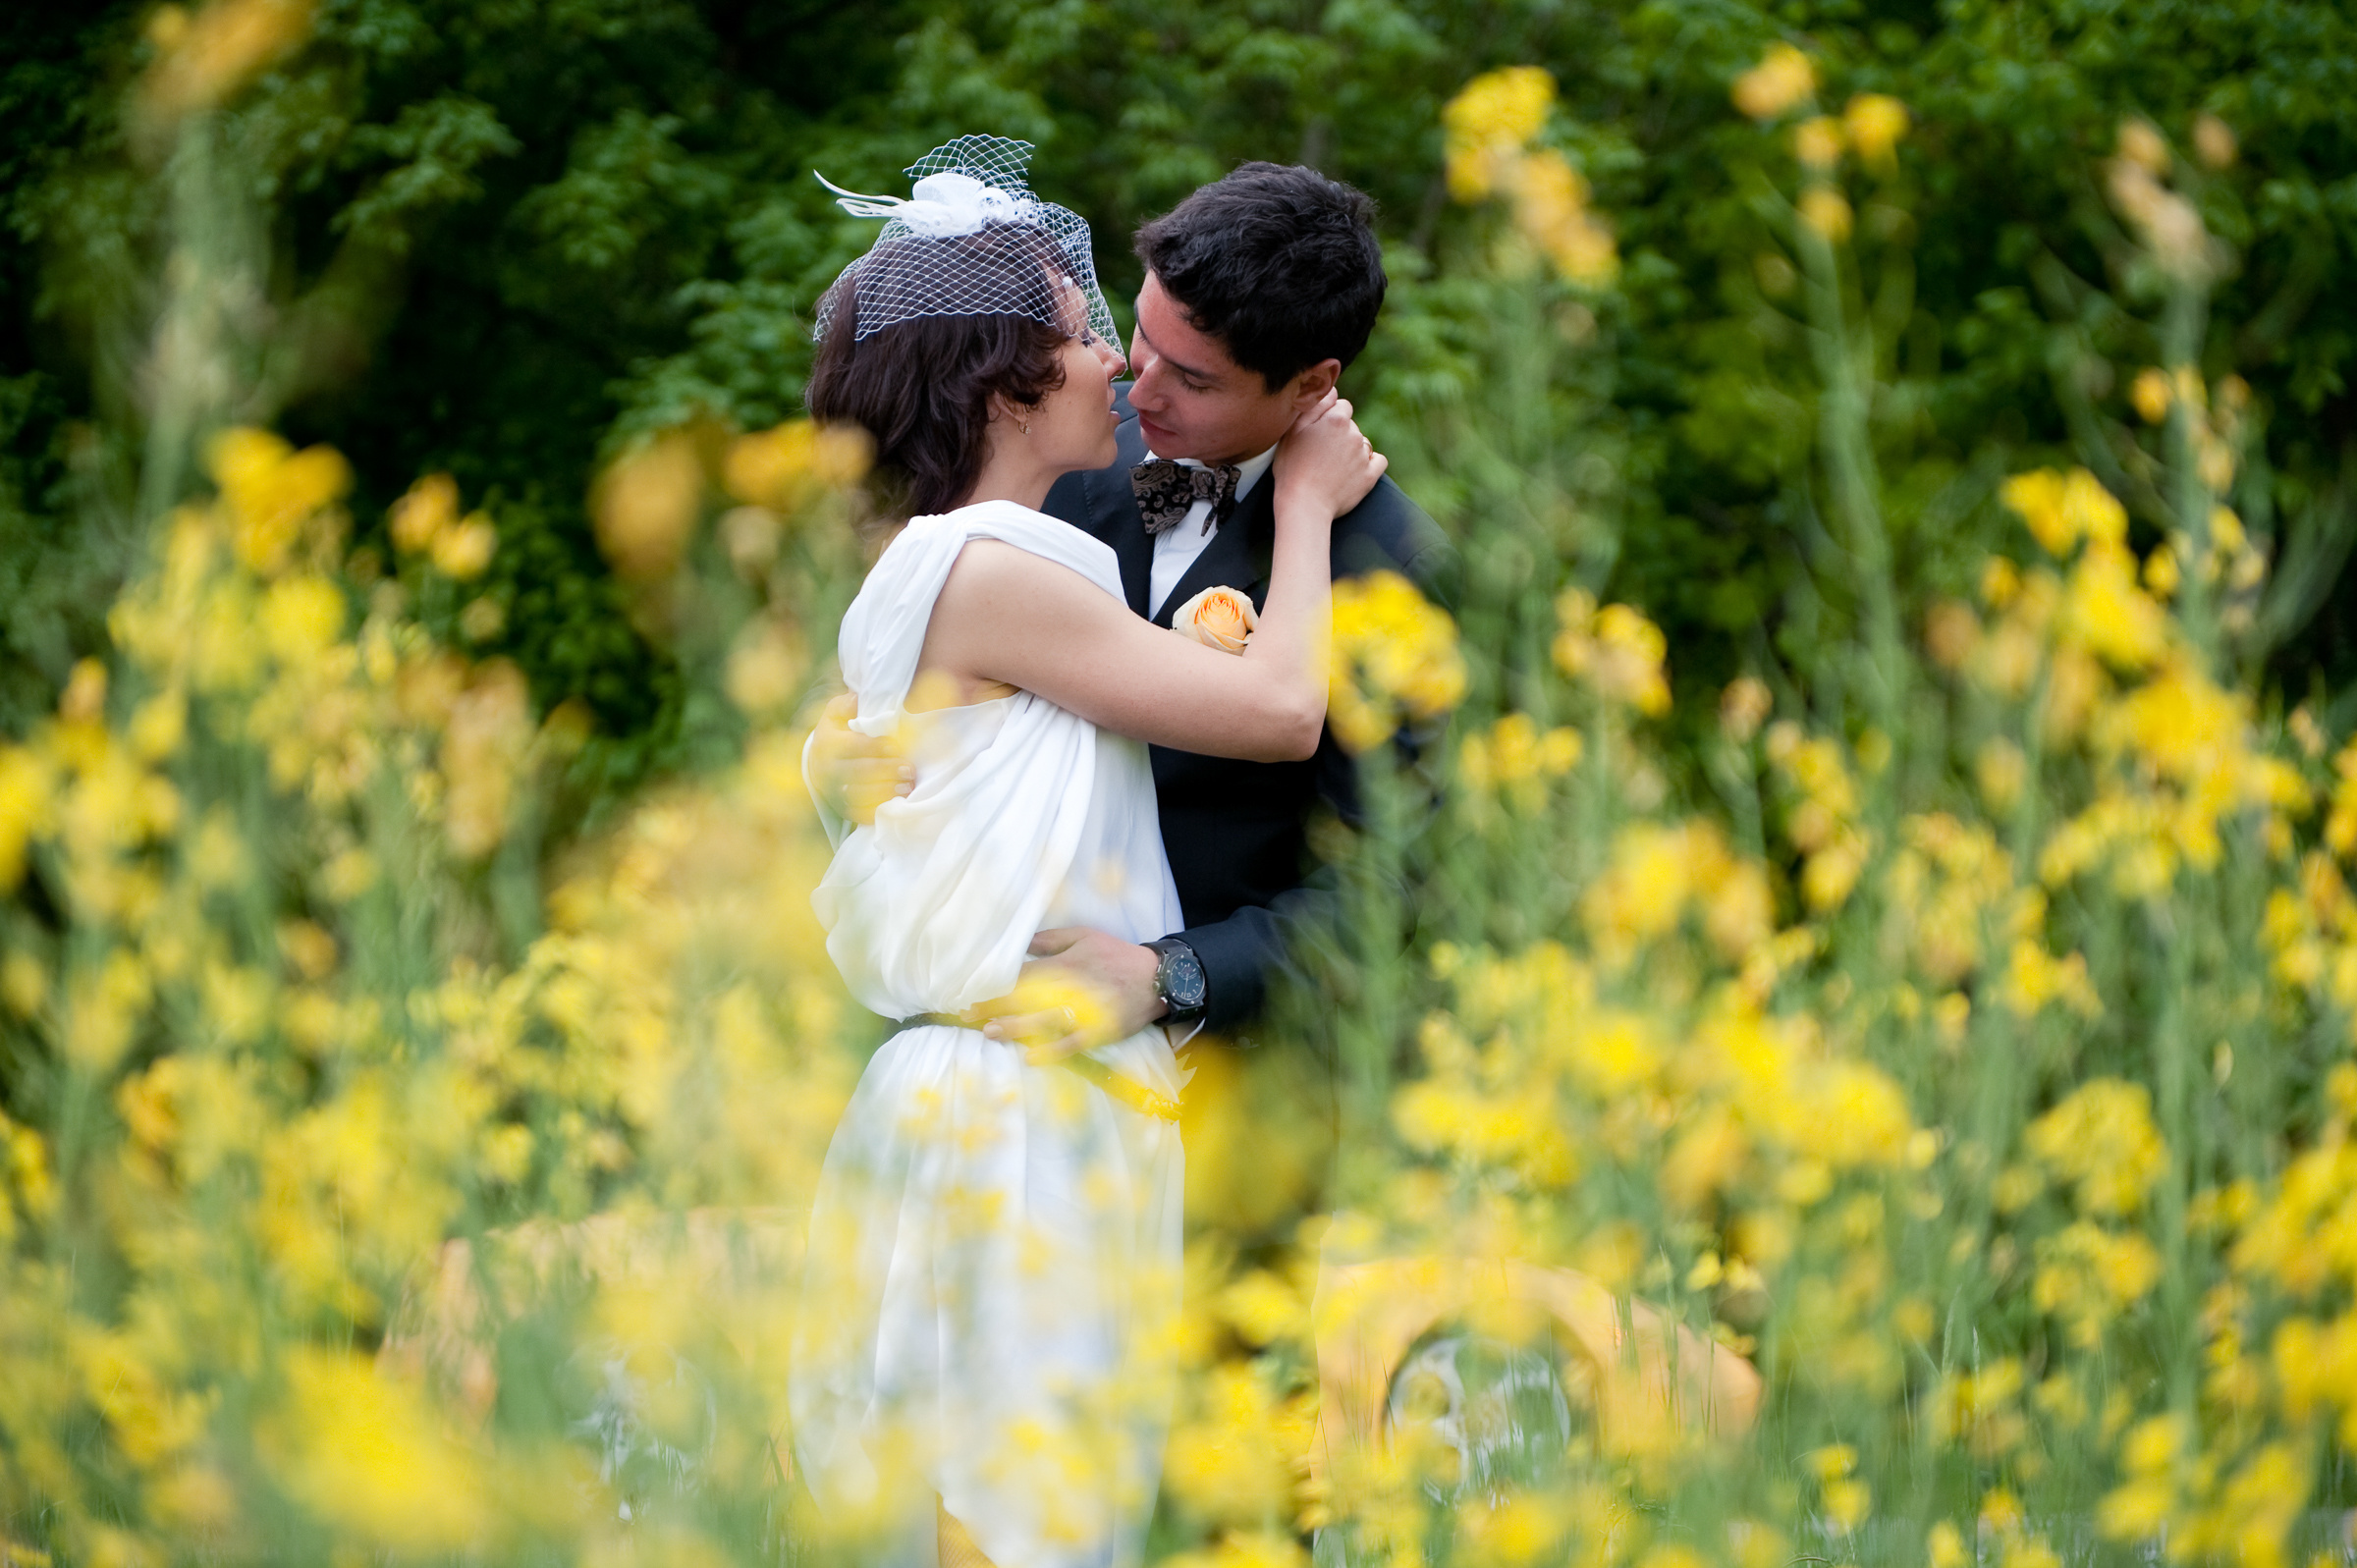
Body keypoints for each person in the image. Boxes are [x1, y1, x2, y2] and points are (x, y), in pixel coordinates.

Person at [784, 136, 1386, 1568]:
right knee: (1018, 1519)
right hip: (1022, 1113)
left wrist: (830, 757)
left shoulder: (982, 544)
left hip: (1104, 1109)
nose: (1119, 370)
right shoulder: (1014, 557)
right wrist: (1302, 509)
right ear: (1008, 388)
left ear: (1304, 386)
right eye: (1089, 333)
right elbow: (1278, 709)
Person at [810, 159, 1450, 1057]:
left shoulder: (1390, 565)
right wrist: (845, 752)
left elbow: (1394, 885)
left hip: (1241, 1086)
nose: (1134, 386)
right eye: (1137, 334)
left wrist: (1173, 975)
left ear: (1311, 386)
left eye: (1191, 379)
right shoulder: (1059, 466)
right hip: (1005, 1054)